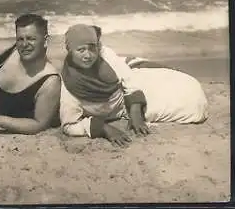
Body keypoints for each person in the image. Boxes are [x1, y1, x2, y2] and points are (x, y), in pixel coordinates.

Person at [59, 24, 209, 147]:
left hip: (132, 97)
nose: (88, 55)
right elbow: (69, 125)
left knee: (190, 91)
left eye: (92, 48)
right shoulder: (69, 86)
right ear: (70, 51)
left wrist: (136, 113)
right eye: (81, 50)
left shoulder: (105, 56)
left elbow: (129, 80)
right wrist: (104, 128)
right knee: (193, 108)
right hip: (120, 110)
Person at [0, 14, 61, 140]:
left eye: (31, 39)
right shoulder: (2, 50)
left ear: (46, 40)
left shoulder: (50, 81)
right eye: (20, 39)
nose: (25, 44)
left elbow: (39, 124)